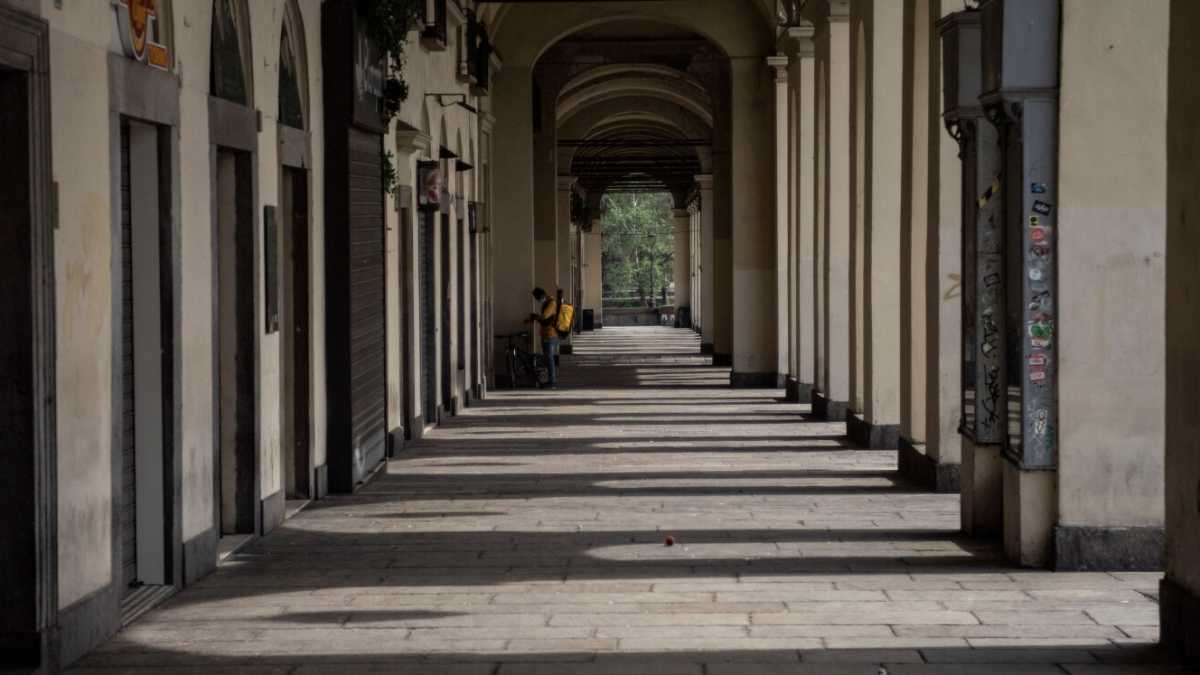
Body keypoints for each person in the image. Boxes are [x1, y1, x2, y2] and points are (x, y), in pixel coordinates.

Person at [528, 287, 559, 387]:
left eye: (538, 298)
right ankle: (550, 380)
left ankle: (552, 381)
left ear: (542, 295)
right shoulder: (547, 303)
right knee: (547, 358)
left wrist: (535, 317)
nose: (538, 300)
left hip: (550, 334)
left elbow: (544, 316)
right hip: (546, 334)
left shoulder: (551, 303)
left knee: (549, 358)